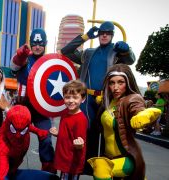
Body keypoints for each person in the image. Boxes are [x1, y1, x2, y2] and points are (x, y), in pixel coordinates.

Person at [60, 21, 136, 174]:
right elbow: (66, 50)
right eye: (102, 32)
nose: (104, 35)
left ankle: (104, 169)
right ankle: (85, 166)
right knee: (86, 133)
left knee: (108, 134)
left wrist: (127, 50)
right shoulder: (88, 53)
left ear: (112, 35)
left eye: (108, 32)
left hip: (107, 99)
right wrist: (86, 36)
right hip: (87, 99)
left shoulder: (116, 53)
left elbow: (131, 60)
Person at [87, 64, 161, 179]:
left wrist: (145, 115)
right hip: (108, 156)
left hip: (126, 158)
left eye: (121, 82)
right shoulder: (108, 102)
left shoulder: (131, 99)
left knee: (101, 170)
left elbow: (137, 108)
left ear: (128, 83)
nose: (115, 87)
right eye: (112, 82)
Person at [10, 28, 56, 173]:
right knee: (15, 140)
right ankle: (8, 169)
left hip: (42, 110)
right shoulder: (24, 58)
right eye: (34, 43)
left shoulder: (50, 61)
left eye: (41, 43)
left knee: (47, 140)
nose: (37, 46)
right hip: (23, 107)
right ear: (31, 44)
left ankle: (48, 172)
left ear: (45, 44)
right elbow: (14, 66)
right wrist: (21, 54)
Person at [49, 80, 88, 180]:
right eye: (67, 97)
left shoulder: (80, 119)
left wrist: (80, 144)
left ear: (82, 99)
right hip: (64, 157)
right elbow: (68, 134)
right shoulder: (65, 113)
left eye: (75, 97)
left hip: (73, 160)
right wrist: (58, 133)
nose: (71, 100)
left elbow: (80, 141)